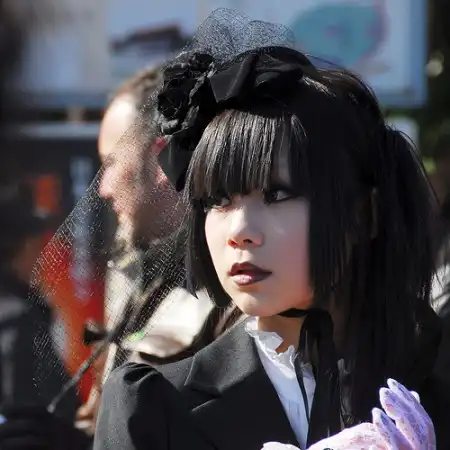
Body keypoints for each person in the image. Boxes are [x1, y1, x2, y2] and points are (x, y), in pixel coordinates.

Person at [93, 9, 448, 450]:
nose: (240, 231)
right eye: (218, 200)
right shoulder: (154, 407)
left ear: (364, 215)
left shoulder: (430, 389)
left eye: (278, 194)